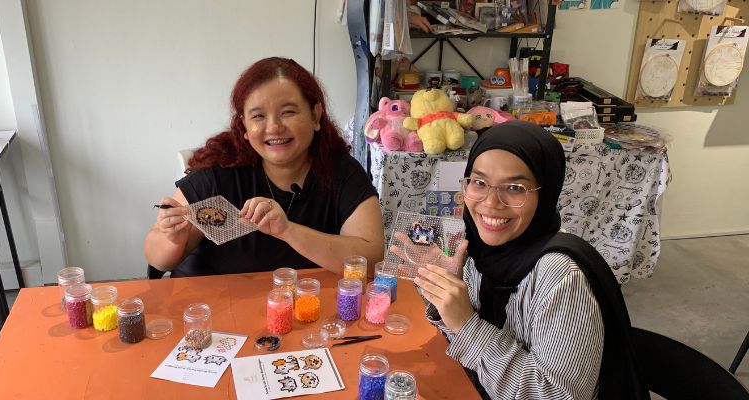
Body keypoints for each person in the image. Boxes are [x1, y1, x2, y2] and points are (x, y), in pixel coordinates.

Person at [411, 121, 649, 399]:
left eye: (514, 188)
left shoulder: (561, 277)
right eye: (479, 182)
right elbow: (468, 352)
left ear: (545, 194)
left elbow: (557, 395)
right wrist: (446, 298)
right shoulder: (477, 249)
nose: (491, 203)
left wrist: (466, 325)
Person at [144, 57, 385, 277]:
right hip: (214, 306)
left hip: (303, 303)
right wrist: (173, 239)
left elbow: (372, 260)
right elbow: (158, 260)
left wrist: (288, 230)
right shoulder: (218, 173)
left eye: (288, 112)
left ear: (315, 115)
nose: (274, 127)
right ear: (244, 126)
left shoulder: (341, 172)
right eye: (258, 116)